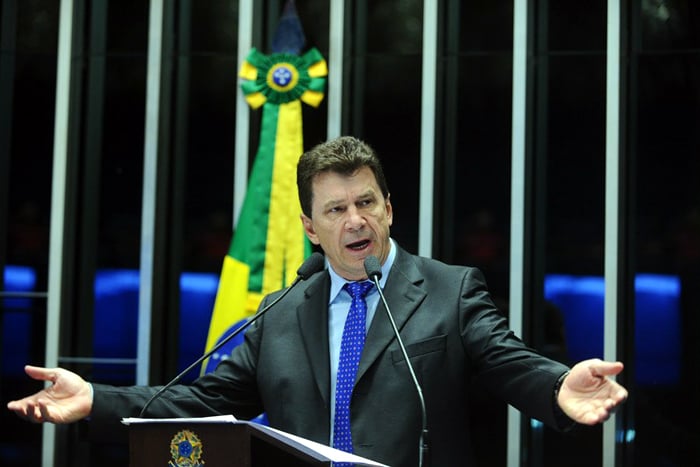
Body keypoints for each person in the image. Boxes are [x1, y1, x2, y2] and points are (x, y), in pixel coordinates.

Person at [7, 136, 628, 467]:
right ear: (311, 228)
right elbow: (200, 401)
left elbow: (505, 359)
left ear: (389, 209)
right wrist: (96, 401)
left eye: (367, 202)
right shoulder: (281, 312)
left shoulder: (449, 289)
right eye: (336, 209)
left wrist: (558, 387)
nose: (355, 219)